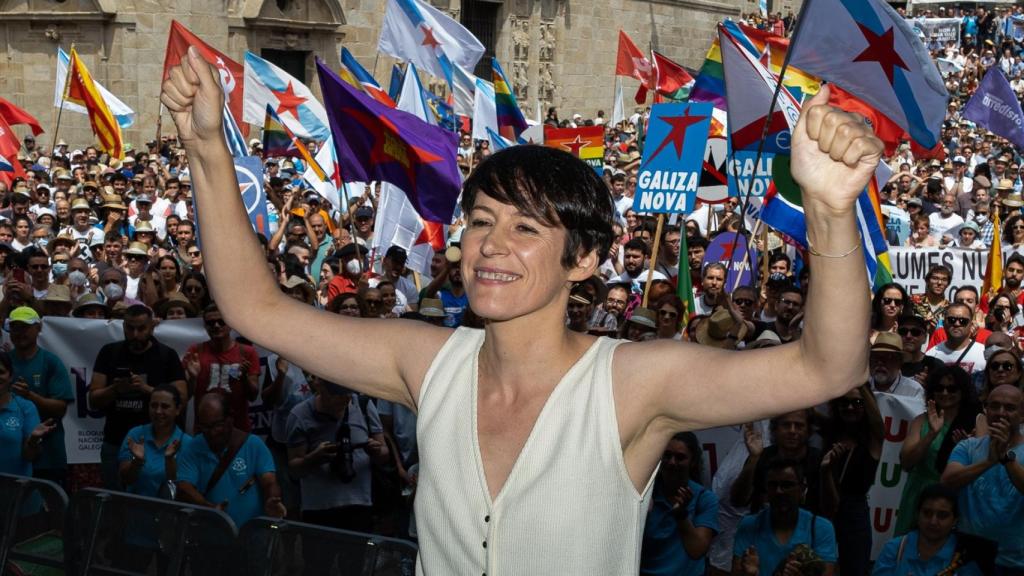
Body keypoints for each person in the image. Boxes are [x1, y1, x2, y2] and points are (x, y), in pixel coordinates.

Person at [162, 54, 880, 573]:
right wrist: (206, 151)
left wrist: (828, 210)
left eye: (526, 229)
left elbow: (830, 365)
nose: (491, 246)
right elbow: (255, 307)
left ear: (586, 259)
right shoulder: (426, 362)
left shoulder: (633, 384)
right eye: (480, 221)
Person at [88, 304, 188, 489]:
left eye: (141, 328)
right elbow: (93, 399)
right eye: (130, 328)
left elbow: (181, 398)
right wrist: (115, 389)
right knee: (114, 500)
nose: (135, 334)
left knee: (161, 500)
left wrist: (147, 389)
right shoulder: (109, 352)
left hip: (158, 444)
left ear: (151, 327)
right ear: (123, 327)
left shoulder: (166, 355)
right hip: (116, 440)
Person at [941, 385, 1024, 573]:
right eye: (994, 406)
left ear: (1022, 413)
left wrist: (1005, 459)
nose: (1001, 413)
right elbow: (947, 481)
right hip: (969, 559)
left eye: (1009, 408)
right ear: (986, 410)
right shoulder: (968, 447)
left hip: (1016, 561)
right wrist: (988, 462)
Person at [176, 393, 285, 527]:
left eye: (217, 425)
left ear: (230, 418)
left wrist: (272, 499)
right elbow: (184, 486)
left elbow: (269, 482)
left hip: (252, 534)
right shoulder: (193, 448)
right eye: (205, 426)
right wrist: (209, 508)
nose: (212, 432)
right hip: (213, 534)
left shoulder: (253, 445)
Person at [895, 365, 980, 536]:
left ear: (962, 391)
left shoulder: (976, 421)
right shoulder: (921, 421)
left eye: (952, 388)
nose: (945, 393)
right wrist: (931, 435)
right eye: (939, 388)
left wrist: (965, 449)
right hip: (919, 494)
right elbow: (906, 463)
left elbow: (981, 467)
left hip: (954, 499)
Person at [116, 384, 189, 574]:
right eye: (153, 405)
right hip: (136, 529)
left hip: (171, 532)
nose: (158, 411)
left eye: (165, 406)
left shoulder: (187, 443)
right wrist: (137, 462)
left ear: (178, 410)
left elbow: (181, 489)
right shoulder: (135, 435)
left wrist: (169, 459)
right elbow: (126, 478)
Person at [819, 384, 884, 576]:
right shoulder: (831, 431)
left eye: (857, 403)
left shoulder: (873, 438)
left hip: (853, 515)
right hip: (823, 508)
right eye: (844, 403)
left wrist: (857, 379)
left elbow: (877, 422)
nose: (849, 408)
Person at [732, 459, 838, 576]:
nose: (779, 491)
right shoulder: (749, 525)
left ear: (802, 489)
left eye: (787, 485)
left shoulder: (820, 528)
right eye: (773, 485)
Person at [5, 306, 74, 487]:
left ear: (39, 328)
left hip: (48, 456)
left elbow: (60, 409)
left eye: (25, 327)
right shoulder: (4, 362)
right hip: (10, 457)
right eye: (15, 327)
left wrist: (30, 396)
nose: (20, 333)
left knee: (51, 511)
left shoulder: (51, 362)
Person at [873, 484, 985, 576]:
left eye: (942, 515)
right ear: (918, 515)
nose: (933, 521)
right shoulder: (895, 549)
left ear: (955, 520)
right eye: (927, 513)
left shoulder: (964, 557)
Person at [182, 304, 260, 432]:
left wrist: (244, 378)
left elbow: (253, 396)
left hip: (238, 430)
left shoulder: (247, 352)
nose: (216, 326)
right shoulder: (195, 351)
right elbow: (186, 396)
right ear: (205, 326)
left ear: (230, 323)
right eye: (211, 323)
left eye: (221, 321)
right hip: (205, 431)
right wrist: (193, 379)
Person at [0, 352, 57, 481]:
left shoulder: (25, 407)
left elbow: (30, 457)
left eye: (1, 372)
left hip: (18, 494)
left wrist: (32, 441)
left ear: (10, 376)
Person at [927, 303, 988, 378]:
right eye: (951, 320)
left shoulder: (984, 354)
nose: (957, 324)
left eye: (963, 321)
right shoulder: (931, 355)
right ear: (943, 323)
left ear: (971, 324)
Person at [870, 332, 925, 399]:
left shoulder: (914, 391)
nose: (880, 362)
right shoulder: (861, 388)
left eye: (888, 357)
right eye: (876, 357)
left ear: (900, 362)